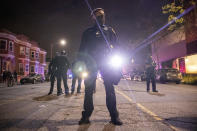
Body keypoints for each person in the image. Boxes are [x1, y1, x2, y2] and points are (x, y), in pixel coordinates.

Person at [78, 8, 122, 125]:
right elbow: (82, 49)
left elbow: (117, 47)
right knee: (88, 89)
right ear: (93, 18)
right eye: (97, 16)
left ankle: (114, 116)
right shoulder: (87, 32)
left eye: (102, 15)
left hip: (106, 62)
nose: (100, 18)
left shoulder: (109, 30)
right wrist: (80, 63)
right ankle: (86, 115)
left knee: (110, 88)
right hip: (91, 62)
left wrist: (119, 66)